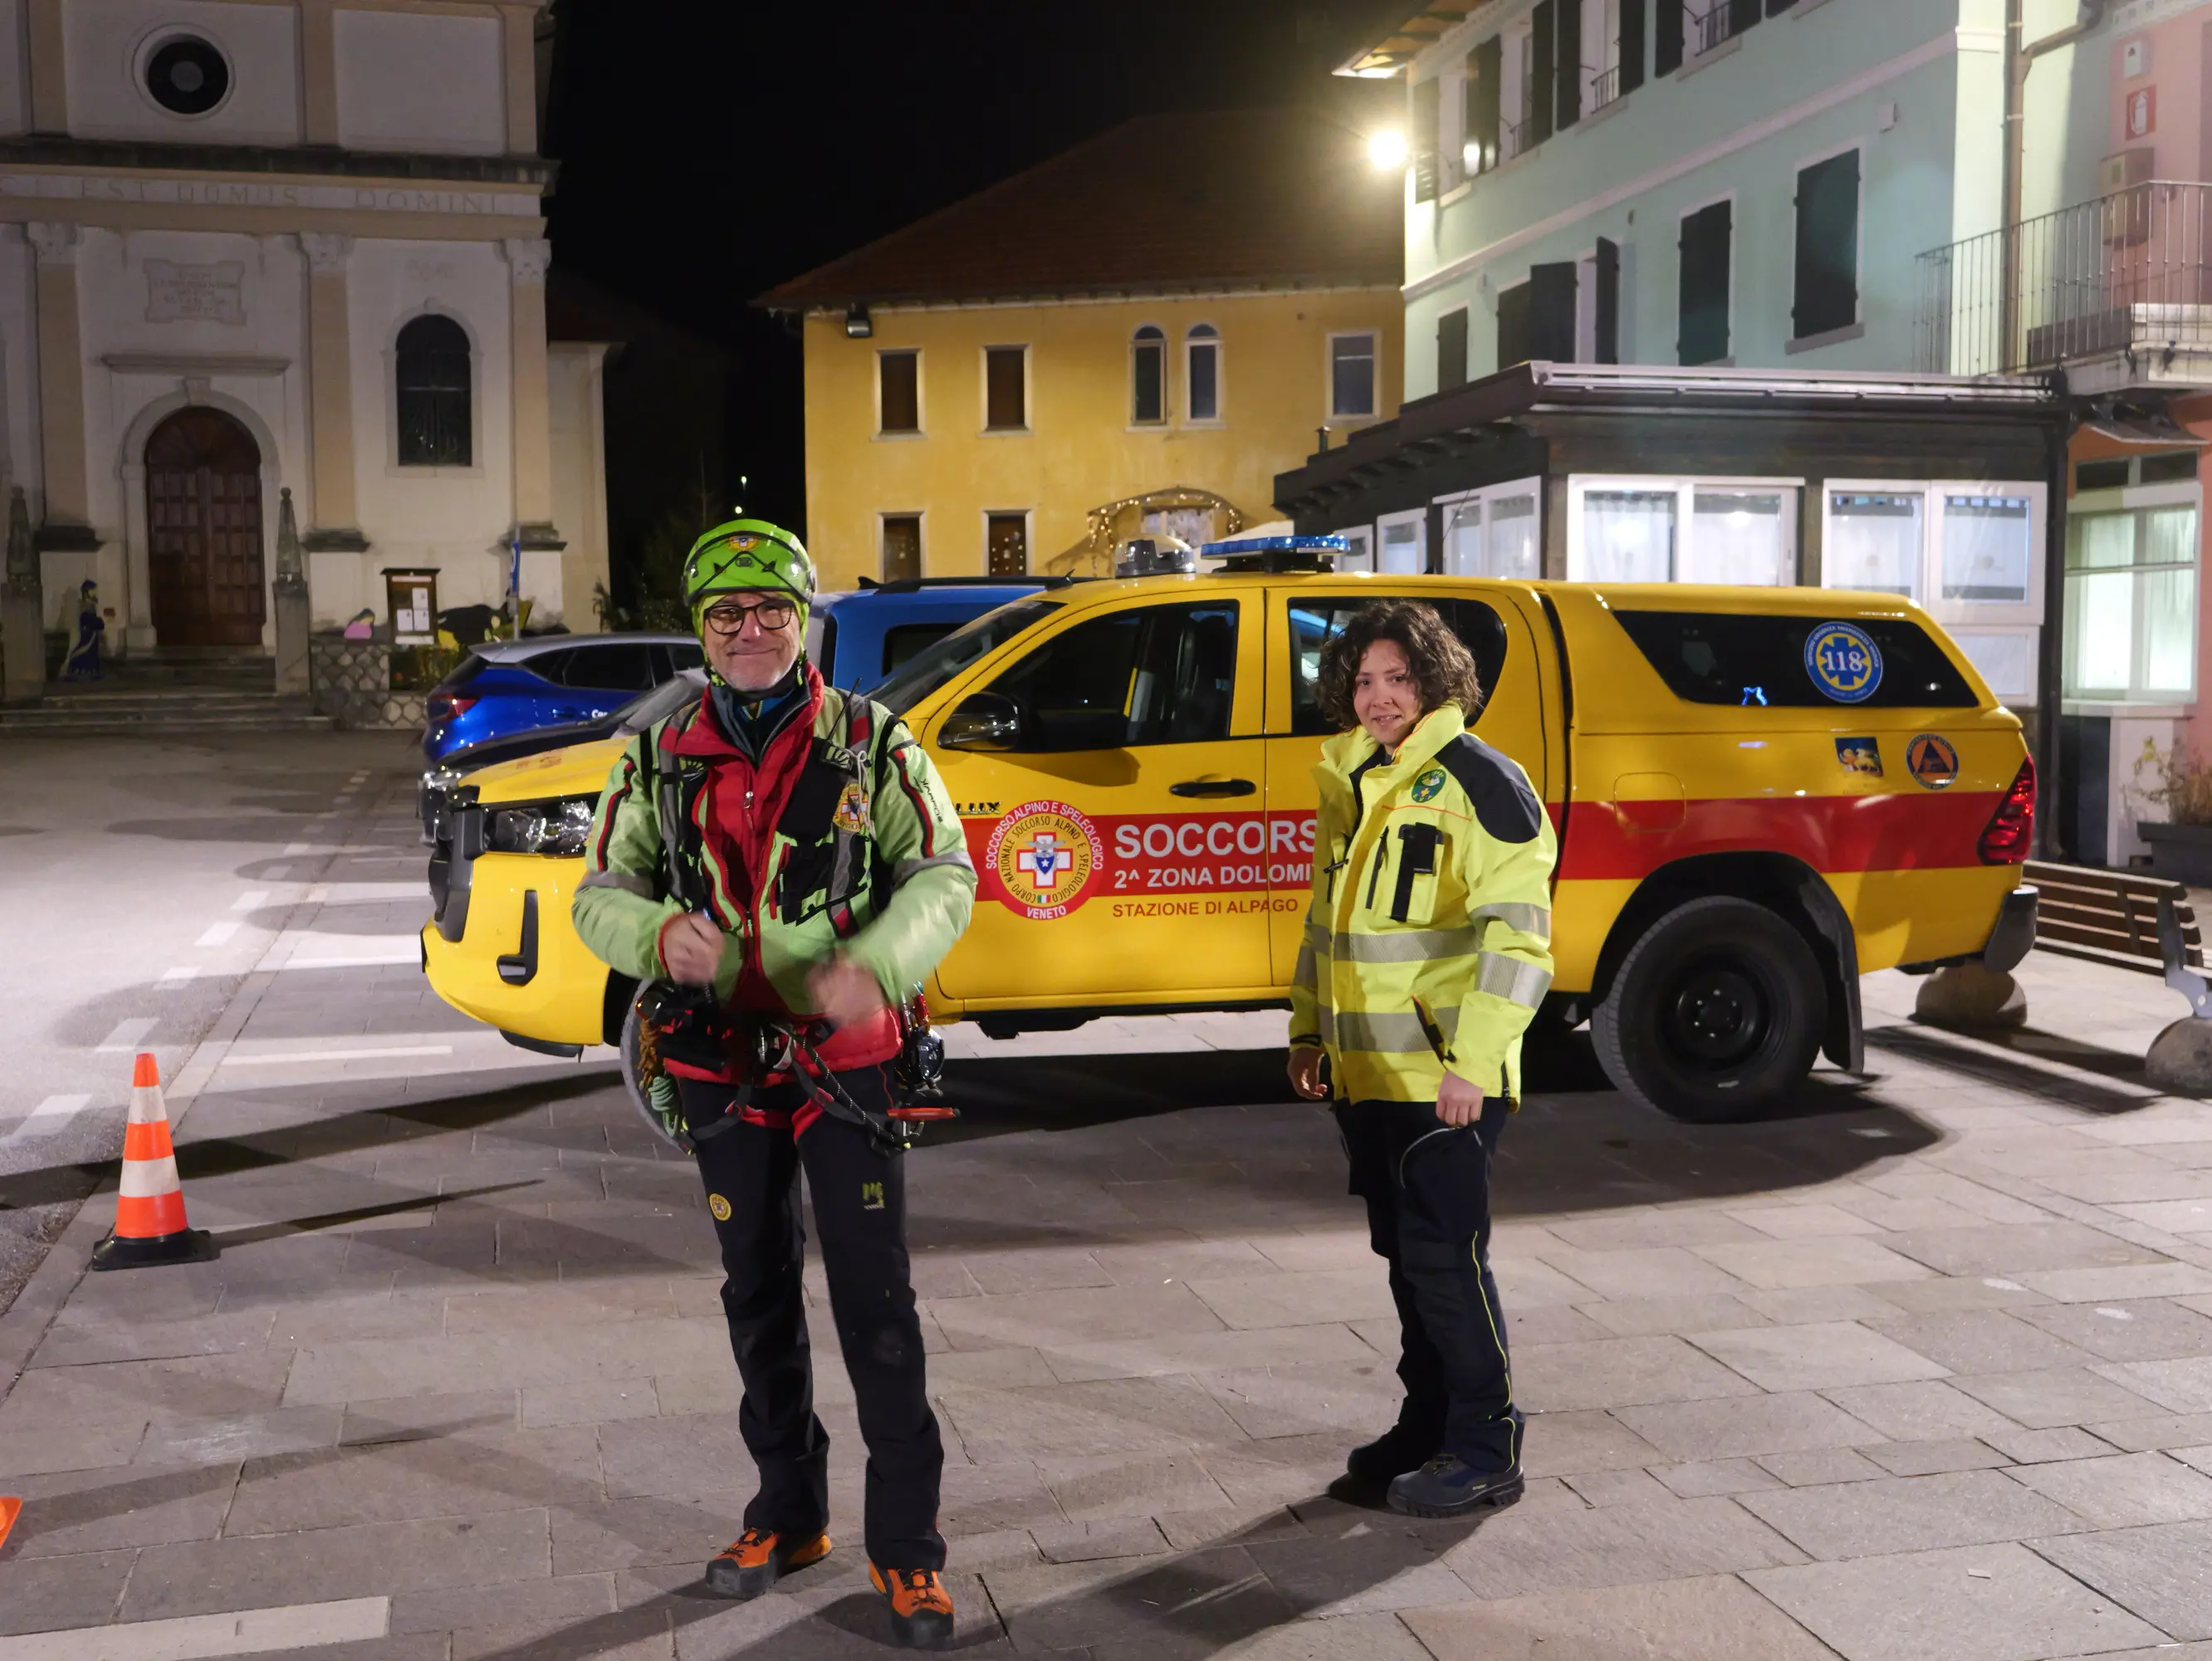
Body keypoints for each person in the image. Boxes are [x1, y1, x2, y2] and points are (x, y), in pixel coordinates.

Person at [572, 518, 975, 1649]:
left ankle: (908, 1554)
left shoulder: (873, 742)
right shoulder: (655, 757)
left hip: (847, 1063)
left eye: (771, 611)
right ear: (703, 632)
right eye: (726, 615)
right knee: (754, 1292)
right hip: (718, 1065)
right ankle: (787, 1517)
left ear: (804, 623)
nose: (751, 631)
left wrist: (880, 965)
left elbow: (944, 872)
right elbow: (598, 891)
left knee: (875, 1306)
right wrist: (659, 936)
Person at [1286, 599, 1557, 1519]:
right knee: (1408, 1263)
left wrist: (1473, 1065)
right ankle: (1428, 1422)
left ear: (1436, 678)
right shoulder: (1357, 777)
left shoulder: (1480, 778)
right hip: (1369, 1076)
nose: (1378, 696)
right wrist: (1309, 1031)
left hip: (1447, 1081)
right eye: (1363, 678)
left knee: (1448, 1261)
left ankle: (1487, 1446)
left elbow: (1520, 941)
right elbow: (1329, 927)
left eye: (1397, 676)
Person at [61, 580, 104, 680]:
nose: (95, 593)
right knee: (84, 652)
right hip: (86, 635)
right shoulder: (84, 606)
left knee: (91, 653)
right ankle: (82, 670)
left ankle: (90, 670)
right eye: (92, 591)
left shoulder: (91, 605)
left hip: (91, 635)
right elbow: (87, 619)